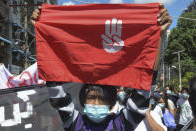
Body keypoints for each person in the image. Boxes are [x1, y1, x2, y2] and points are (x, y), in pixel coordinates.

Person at [31, 3, 172, 131]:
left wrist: (158, 36)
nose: (96, 104)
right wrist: (43, 31)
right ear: (82, 101)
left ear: (111, 103)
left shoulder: (121, 125)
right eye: (91, 98)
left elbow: (145, 84)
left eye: (102, 99)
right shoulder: (75, 123)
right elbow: (54, 85)